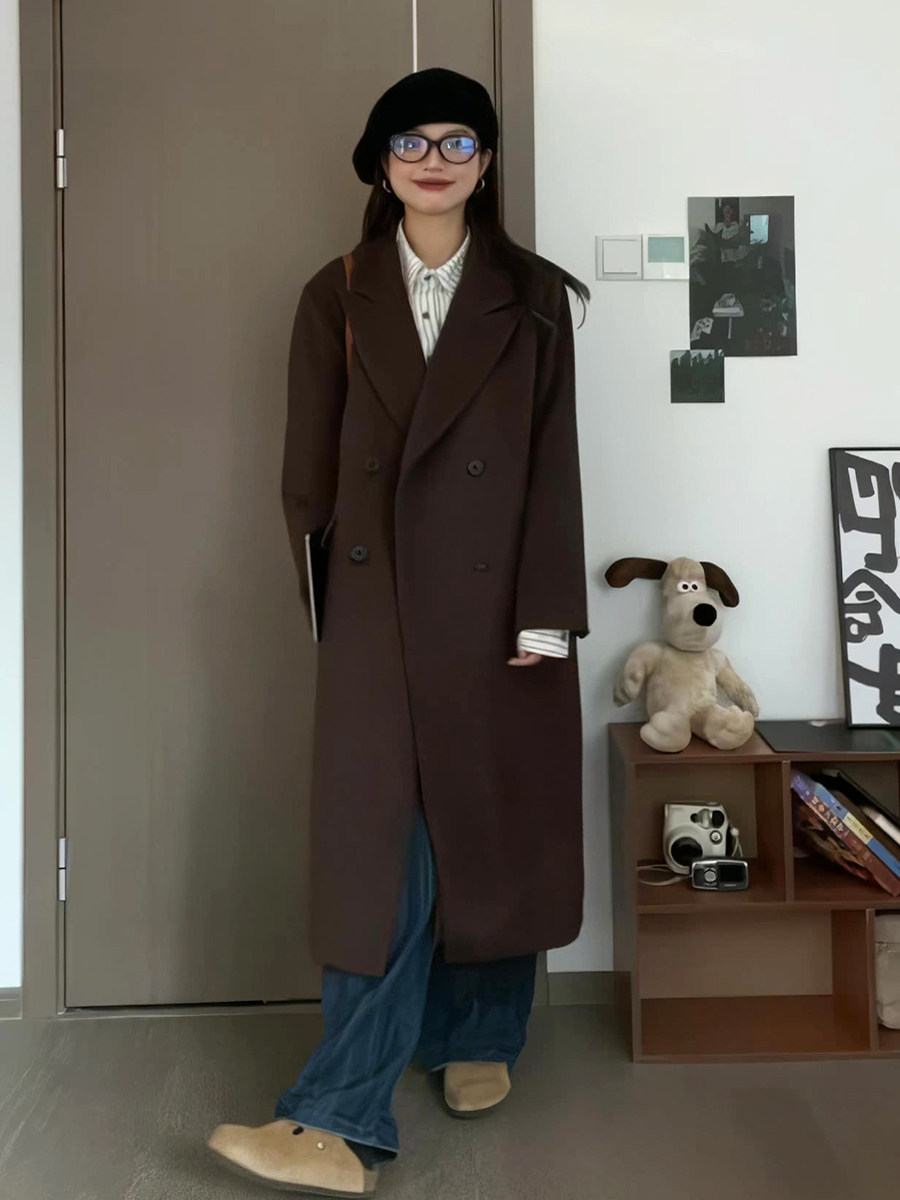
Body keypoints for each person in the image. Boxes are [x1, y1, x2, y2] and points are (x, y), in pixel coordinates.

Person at [206, 66, 591, 1196]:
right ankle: (337, 1118)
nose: (434, 159)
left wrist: (548, 613)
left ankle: (478, 1035)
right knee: (383, 856)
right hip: (378, 610)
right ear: (380, 162)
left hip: (502, 610)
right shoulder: (335, 293)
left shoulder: (533, 295)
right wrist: (340, 611)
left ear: (487, 162)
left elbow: (555, 465)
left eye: (458, 140)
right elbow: (306, 475)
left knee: (493, 824)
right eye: (411, 141)